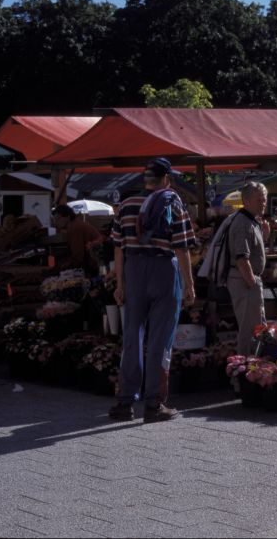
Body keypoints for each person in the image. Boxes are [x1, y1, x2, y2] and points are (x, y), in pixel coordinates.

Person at [108, 157, 196, 423]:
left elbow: (118, 247)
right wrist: (189, 283)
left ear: (145, 179)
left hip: (134, 270)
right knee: (160, 339)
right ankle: (154, 404)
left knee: (132, 335)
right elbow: (181, 247)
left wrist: (120, 283)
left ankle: (125, 402)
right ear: (166, 178)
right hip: (164, 271)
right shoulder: (173, 202)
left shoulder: (126, 205)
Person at [227, 182, 270, 356]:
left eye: (265, 199)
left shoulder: (252, 221)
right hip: (245, 280)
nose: (263, 203)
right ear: (246, 201)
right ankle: (245, 367)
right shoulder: (243, 223)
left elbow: (252, 251)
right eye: (259, 200)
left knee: (258, 327)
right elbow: (241, 257)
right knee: (250, 330)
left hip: (248, 279)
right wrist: (252, 283)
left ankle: (256, 365)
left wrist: (265, 236)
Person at [51, 204, 104, 277]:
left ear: (67, 217)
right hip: (94, 261)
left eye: (58, 218)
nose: (55, 222)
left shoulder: (75, 227)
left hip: (96, 264)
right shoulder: (74, 226)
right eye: (54, 219)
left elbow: (78, 256)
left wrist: (62, 267)